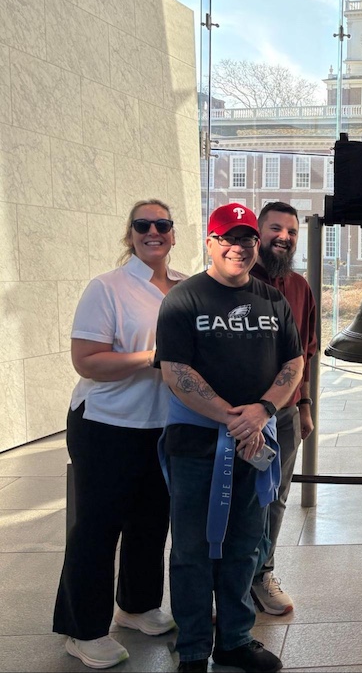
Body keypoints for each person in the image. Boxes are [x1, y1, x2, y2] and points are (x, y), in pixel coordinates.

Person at [156, 203, 304, 673]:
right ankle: (194, 648)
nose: (238, 247)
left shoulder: (273, 300)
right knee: (192, 550)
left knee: (245, 545)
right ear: (210, 243)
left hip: (256, 442)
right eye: (228, 238)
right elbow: (175, 370)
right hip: (197, 444)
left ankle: (236, 640)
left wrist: (262, 411)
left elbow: (294, 362)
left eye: (246, 239)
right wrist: (230, 417)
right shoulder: (184, 299)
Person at [53, 200, 185, 669]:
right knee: (98, 527)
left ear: (173, 234)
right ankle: (83, 629)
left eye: (162, 224)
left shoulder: (186, 287)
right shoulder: (107, 287)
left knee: (151, 521)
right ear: (129, 235)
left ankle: (137, 606)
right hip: (106, 426)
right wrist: (152, 357)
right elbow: (87, 360)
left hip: (162, 426)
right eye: (142, 224)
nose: (153, 231)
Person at [249, 202, 318, 616]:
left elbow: (305, 352)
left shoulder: (299, 287)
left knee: (276, 497)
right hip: (242, 414)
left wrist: (304, 405)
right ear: (258, 233)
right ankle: (232, 580)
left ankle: (263, 573)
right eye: (275, 228)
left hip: (287, 413)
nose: (284, 237)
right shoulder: (237, 282)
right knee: (237, 499)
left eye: (291, 231)